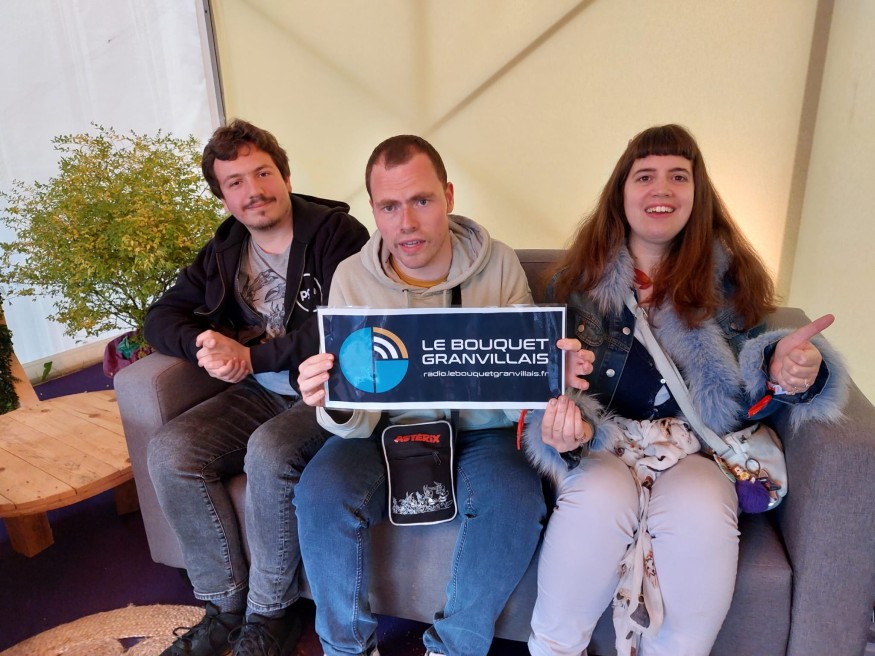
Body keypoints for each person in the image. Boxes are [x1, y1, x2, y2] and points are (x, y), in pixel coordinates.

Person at [521, 124, 849, 656]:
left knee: (702, 504)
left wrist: (789, 369)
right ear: (620, 193)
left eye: (678, 176)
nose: (662, 189)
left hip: (693, 450)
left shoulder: (733, 283)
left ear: (698, 194)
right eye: (645, 176)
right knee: (598, 496)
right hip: (606, 444)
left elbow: (755, 381)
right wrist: (561, 421)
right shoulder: (574, 284)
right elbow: (544, 384)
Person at [295, 135, 578, 656]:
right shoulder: (352, 278)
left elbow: (518, 392)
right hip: (383, 430)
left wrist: (547, 375)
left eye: (421, 201)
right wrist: (332, 398)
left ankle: (453, 648)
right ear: (373, 210)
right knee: (319, 492)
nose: (406, 223)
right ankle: (345, 649)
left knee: (515, 499)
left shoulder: (498, 264)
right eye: (389, 206)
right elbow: (355, 418)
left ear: (448, 196)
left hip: (483, 433)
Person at [145, 119, 369, 656]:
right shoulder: (225, 248)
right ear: (223, 197)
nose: (254, 190)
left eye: (263, 173)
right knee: (171, 451)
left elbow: (345, 324)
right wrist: (204, 342)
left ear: (285, 176)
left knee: (270, 450)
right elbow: (160, 317)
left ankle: (272, 614)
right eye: (236, 182)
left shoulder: (339, 235)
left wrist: (252, 356)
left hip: (327, 389)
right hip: (259, 392)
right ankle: (225, 606)